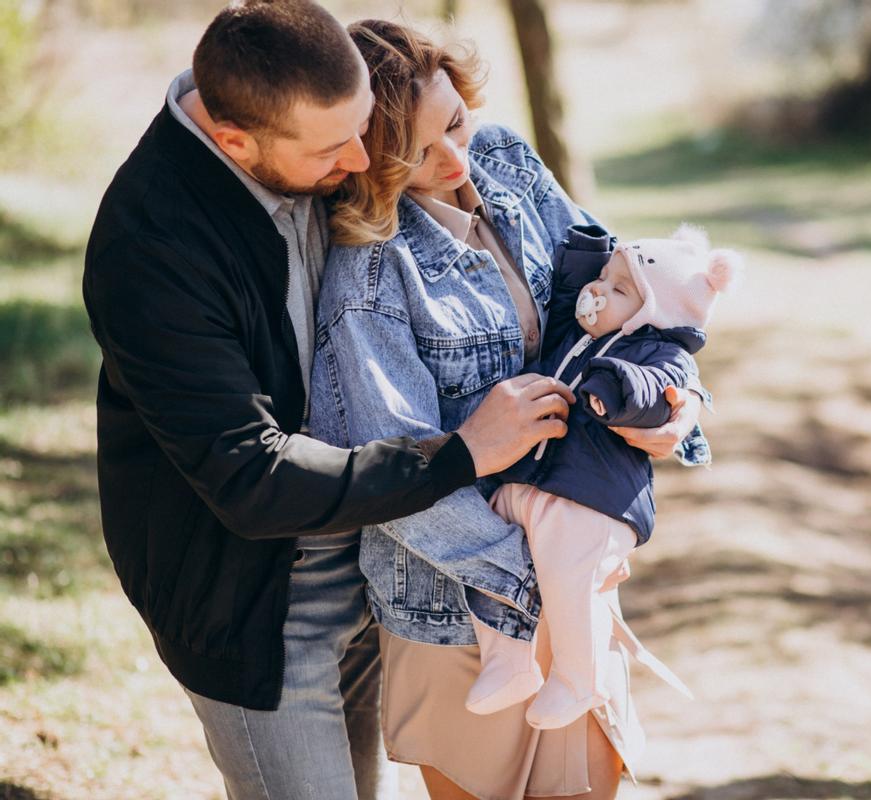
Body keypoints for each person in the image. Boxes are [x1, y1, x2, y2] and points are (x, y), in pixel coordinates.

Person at [81, 2, 577, 798]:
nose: (361, 160)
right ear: (235, 141)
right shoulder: (151, 248)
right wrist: (460, 453)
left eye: (365, 129)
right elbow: (249, 476)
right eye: (333, 147)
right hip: (258, 601)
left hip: (372, 557)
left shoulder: (299, 115)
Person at [308, 18, 708, 800]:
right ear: (365, 159)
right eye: (416, 154)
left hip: (573, 575)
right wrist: (543, 575)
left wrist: (680, 403)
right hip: (456, 605)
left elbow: (639, 297)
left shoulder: (507, 160)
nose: (456, 161)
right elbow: (389, 475)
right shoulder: (368, 275)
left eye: (455, 121)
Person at [465, 222, 739, 731]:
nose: (598, 292)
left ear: (652, 312)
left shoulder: (659, 354)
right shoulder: (580, 331)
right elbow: (571, 290)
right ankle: (506, 659)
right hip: (532, 481)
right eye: (604, 277)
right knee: (483, 544)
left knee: (571, 581)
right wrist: (586, 253)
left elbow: (657, 393)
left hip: (591, 500)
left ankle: (579, 676)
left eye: (618, 288)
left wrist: (616, 387)